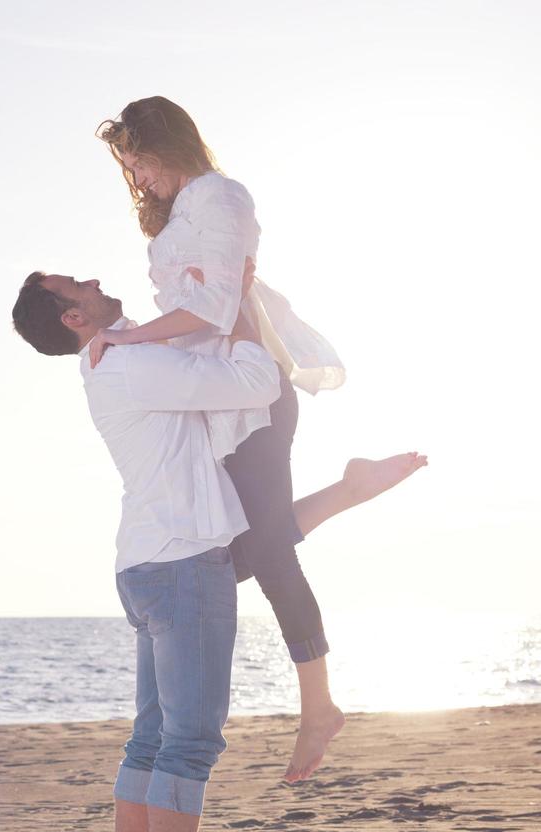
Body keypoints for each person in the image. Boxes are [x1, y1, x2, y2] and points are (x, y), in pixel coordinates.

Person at [93, 96, 427, 782]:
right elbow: (206, 308)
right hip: (228, 396)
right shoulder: (183, 213)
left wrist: (126, 336)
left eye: (138, 162)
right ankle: (348, 489)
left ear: (165, 145)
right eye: (128, 169)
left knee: (256, 557)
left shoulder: (218, 196)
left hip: (256, 393)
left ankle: (318, 710)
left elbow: (214, 308)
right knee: (241, 551)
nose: (137, 178)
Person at [12, 269, 281, 832]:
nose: (96, 278)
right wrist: (242, 297)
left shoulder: (119, 357)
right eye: (78, 283)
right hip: (183, 566)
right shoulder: (127, 362)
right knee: (187, 746)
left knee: (153, 740)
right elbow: (255, 379)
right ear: (73, 318)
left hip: (147, 565)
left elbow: (196, 362)